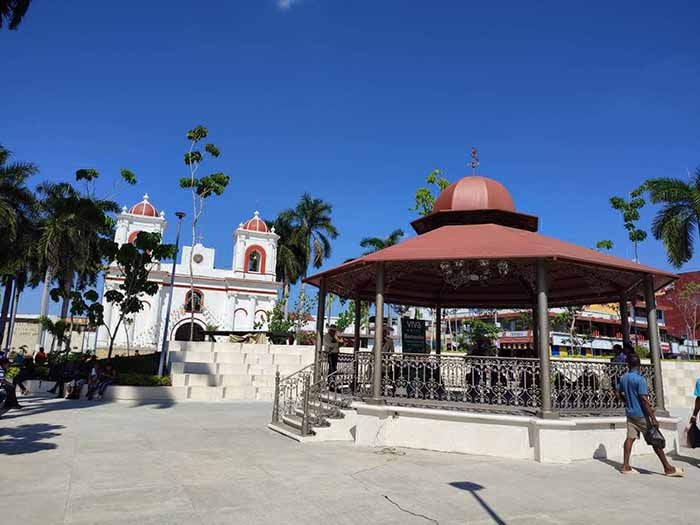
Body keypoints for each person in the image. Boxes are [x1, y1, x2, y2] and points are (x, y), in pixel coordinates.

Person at [616, 353, 683, 476]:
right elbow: (644, 399)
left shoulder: (623, 378)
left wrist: (626, 402)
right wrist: (653, 417)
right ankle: (668, 468)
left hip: (630, 414)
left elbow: (617, 393)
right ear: (639, 365)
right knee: (655, 440)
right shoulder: (640, 380)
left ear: (628, 365)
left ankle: (625, 465)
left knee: (629, 438)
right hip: (642, 415)